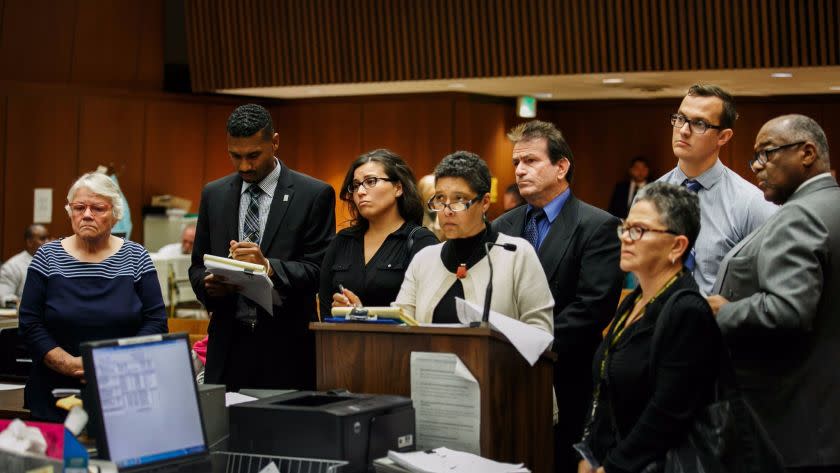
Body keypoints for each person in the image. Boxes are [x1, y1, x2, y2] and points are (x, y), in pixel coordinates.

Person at [708, 115, 840, 471]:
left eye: (767, 154)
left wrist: (722, 311)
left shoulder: (800, 216)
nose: (757, 167)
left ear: (807, 153)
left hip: (789, 425)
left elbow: (789, 310)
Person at [492, 120, 623, 473]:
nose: (519, 170)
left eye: (531, 161)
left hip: (564, 372)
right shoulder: (501, 227)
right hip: (503, 372)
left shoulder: (598, 226)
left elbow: (593, 307)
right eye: (516, 163)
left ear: (561, 166)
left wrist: (530, 341)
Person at [188, 104, 336, 392]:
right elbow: (196, 265)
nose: (245, 166)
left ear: (275, 142)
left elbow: (319, 271)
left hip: (287, 349)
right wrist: (208, 287)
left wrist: (268, 266)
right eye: (236, 156)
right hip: (228, 347)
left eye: (254, 155)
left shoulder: (313, 194)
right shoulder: (214, 194)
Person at [579, 182, 722, 473]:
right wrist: (590, 456)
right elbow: (605, 390)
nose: (626, 239)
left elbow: (667, 414)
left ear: (677, 246)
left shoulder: (687, 311)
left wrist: (613, 467)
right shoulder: (633, 301)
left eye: (639, 230)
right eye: (625, 228)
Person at [18, 173, 167, 422]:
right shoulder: (47, 257)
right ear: (70, 211)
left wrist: (111, 365)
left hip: (123, 391)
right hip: (52, 393)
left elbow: (156, 322)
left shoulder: (136, 257)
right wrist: (71, 364)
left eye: (98, 208)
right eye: (79, 207)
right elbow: (30, 323)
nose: (87, 214)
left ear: (115, 214)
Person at [395, 151, 552, 334]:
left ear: (484, 203)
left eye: (459, 199)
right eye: (440, 199)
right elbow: (400, 327)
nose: (447, 211)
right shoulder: (424, 259)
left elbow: (541, 333)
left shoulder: (517, 254)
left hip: (496, 363)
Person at [656, 84, 775, 294]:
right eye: (680, 119)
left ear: (723, 137)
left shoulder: (751, 203)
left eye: (699, 123)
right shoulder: (649, 197)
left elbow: (770, 281)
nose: (683, 130)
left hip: (718, 323)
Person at [319, 149, 437, 316]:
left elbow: (425, 314)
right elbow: (325, 307)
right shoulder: (342, 241)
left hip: (400, 341)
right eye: (355, 185)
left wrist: (364, 315)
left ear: (398, 188)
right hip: (343, 340)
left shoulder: (420, 241)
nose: (360, 192)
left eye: (371, 181)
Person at [0, 224, 50, 304]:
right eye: (43, 238)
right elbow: (5, 298)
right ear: (30, 242)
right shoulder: (12, 266)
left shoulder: (54, 262)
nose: (48, 242)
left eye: (48, 238)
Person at [417, 174, 445, 241]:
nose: (434, 192)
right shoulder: (416, 216)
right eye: (429, 188)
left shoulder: (446, 211)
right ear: (421, 193)